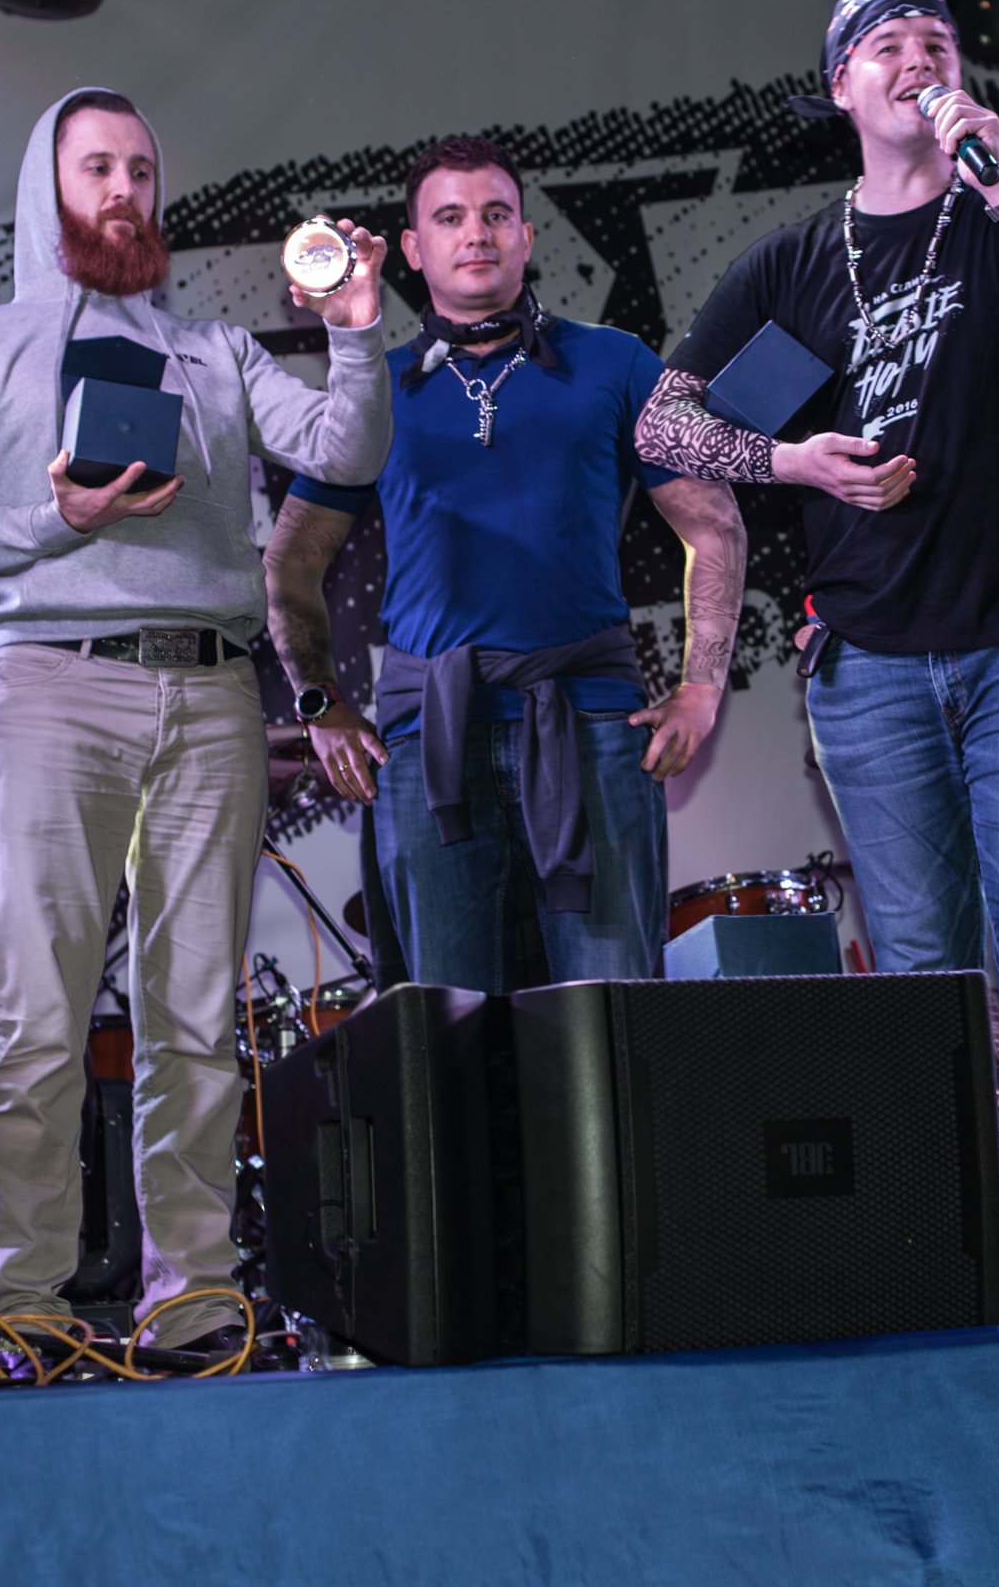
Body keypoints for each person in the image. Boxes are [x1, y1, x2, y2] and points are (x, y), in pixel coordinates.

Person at [635, 0, 999, 1322]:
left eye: (937, 44)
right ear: (842, 89)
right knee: (927, 965)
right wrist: (794, 460)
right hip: (870, 657)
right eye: (888, 46)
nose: (919, 60)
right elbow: (664, 428)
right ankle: (955, 1243)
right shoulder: (799, 264)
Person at [0, 88, 389, 1351]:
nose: (123, 191)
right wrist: (56, 518)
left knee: (195, 1018)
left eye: (140, 170)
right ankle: (25, 1305)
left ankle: (193, 1298)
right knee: (38, 1016)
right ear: (46, 187)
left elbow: (344, 453)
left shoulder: (217, 352)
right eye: (95, 168)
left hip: (212, 691)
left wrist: (355, 335)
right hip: (51, 684)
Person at [264, 137, 743, 991]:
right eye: (449, 218)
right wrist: (321, 705)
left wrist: (702, 686)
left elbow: (714, 526)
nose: (476, 233)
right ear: (414, 248)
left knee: (608, 1011)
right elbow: (291, 562)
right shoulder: (377, 387)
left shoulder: (616, 361)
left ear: (526, 235)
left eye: (495, 215)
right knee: (446, 1027)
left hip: (592, 724)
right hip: (428, 735)